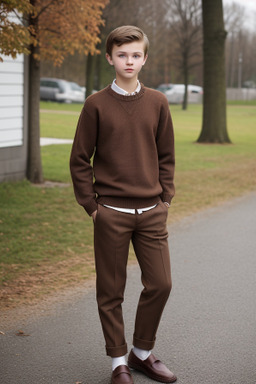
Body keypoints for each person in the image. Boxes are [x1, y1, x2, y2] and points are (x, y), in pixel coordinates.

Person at [70, 25, 176, 384]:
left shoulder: (158, 102)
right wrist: (92, 206)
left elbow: (166, 155)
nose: (128, 61)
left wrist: (165, 197)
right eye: (121, 54)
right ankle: (118, 363)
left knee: (161, 283)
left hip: (151, 212)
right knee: (110, 291)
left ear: (144, 59)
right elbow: (80, 158)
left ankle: (142, 353)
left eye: (135, 55)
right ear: (109, 57)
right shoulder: (95, 105)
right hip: (110, 213)